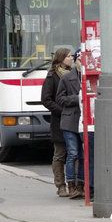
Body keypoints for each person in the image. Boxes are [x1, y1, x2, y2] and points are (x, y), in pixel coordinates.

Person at [41, 48, 70, 198]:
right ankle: (60, 185)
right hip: (59, 121)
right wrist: (61, 110)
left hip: (72, 119)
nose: (71, 58)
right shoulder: (52, 76)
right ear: (61, 58)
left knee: (74, 153)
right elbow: (46, 99)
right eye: (69, 56)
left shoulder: (73, 73)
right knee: (60, 153)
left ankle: (75, 184)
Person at [55, 48, 84, 200]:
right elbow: (59, 99)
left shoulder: (89, 78)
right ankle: (71, 184)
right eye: (79, 60)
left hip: (84, 121)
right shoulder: (67, 78)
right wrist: (76, 99)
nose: (81, 63)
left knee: (83, 154)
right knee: (72, 153)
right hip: (70, 120)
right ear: (75, 61)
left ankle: (81, 184)